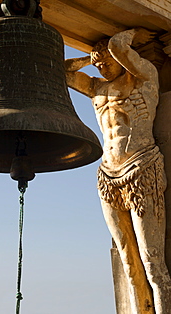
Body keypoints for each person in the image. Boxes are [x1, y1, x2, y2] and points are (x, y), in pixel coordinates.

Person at [65, 28, 171, 314]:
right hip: (108, 176)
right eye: (98, 63)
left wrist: (130, 35)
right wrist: (89, 59)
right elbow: (60, 71)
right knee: (128, 261)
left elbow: (119, 46)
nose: (102, 65)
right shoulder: (96, 88)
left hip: (141, 167)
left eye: (105, 60)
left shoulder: (145, 78)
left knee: (152, 263)